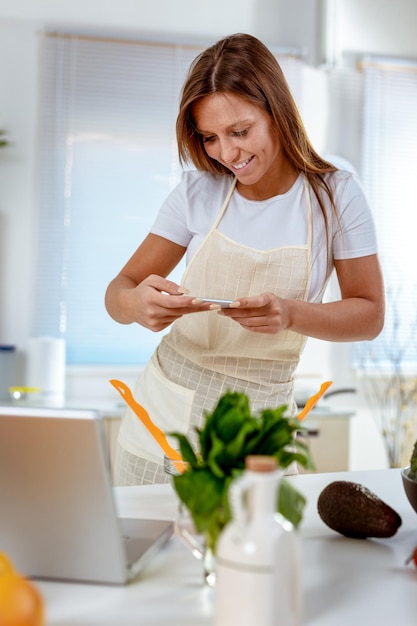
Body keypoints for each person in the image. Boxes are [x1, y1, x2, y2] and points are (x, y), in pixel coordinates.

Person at [105, 33, 384, 486]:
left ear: (276, 111)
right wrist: (135, 305)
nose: (227, 153)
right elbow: (120, 288)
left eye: (240, 131)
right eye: (210, 137)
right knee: (149, 554)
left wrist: (289, 313)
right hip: (164, 418)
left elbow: (369, 315)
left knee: (255, 550)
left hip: (260, 424)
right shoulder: (197, 193)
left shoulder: (336, 197)